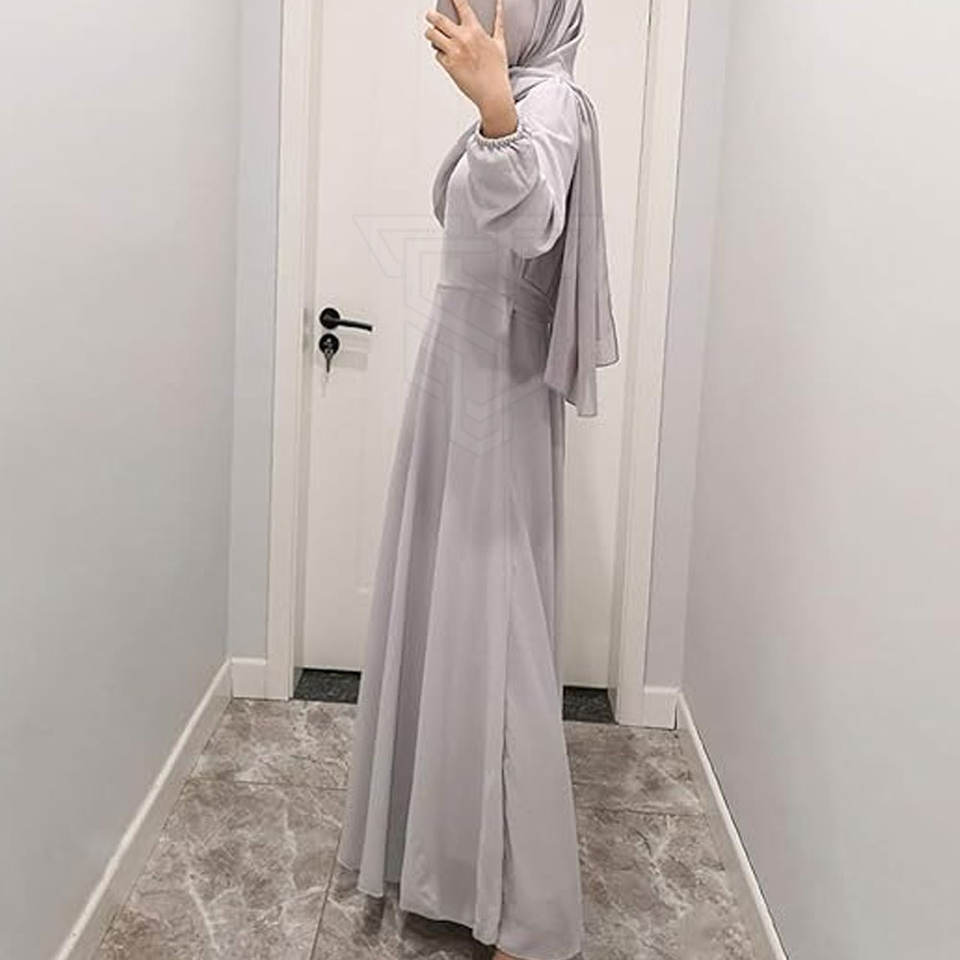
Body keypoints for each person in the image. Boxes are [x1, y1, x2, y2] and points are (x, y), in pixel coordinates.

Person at [336, 1, 618, 957]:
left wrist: (497, 107)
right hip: (461, 372)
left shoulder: (552, 104)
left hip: (495, 380)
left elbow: (532, 217)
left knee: (496, 624)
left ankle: (525, 905)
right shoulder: (525, 97)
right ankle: (448, 864)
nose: (470, 14)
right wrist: (495, 105)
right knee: (452, 610)